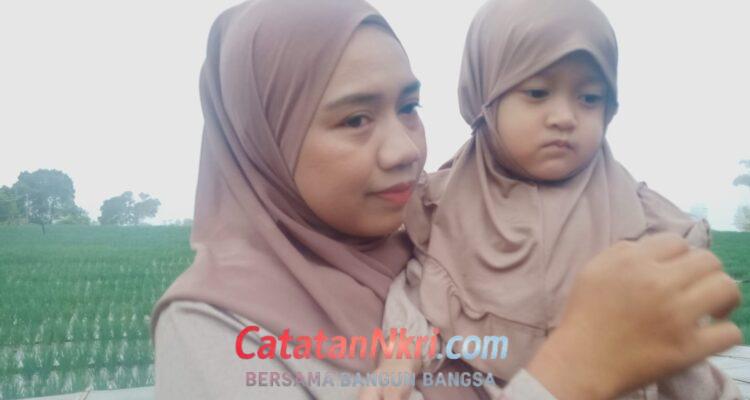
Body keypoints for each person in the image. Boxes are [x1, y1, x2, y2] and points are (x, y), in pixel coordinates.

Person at [150, 0, 742, 399]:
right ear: (262, 140)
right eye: (356, 119)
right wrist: (571, 373)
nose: (406, 149)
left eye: (409, 107)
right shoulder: (215, 326)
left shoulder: (436, 236)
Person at [367, 0, 742, 399]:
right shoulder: (448, 205)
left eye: (589, 98)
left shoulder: (635, 215)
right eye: (537, 92)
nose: (564, 116)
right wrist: (400, 359)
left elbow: (672, 347)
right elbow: (419, 291)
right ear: (484, 98)